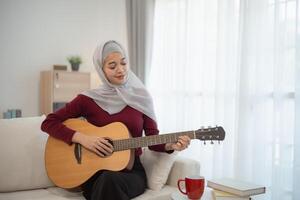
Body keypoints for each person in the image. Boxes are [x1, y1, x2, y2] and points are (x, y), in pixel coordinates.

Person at [41, 40, 191, 200]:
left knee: (109, 181)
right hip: (94, 173)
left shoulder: (141, 98)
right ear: (101, 69)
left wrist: (171, 145)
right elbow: (48, 122)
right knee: (106, 179)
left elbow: (152, 138)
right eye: (112, 66)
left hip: (131, 172)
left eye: (123, 63)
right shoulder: (87, 100)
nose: (120, 70)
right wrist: (83, 139)